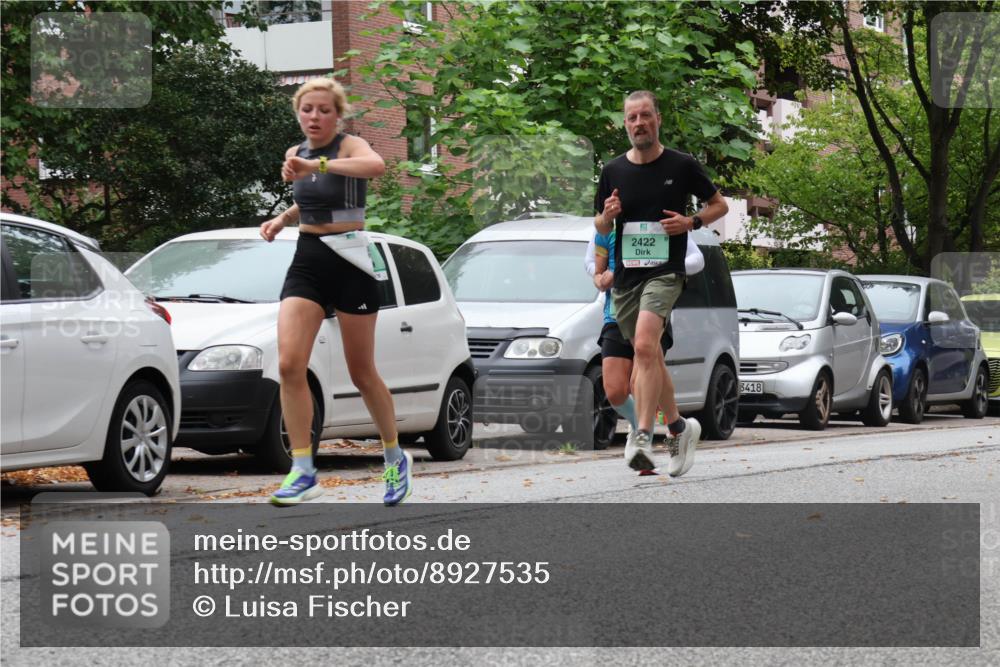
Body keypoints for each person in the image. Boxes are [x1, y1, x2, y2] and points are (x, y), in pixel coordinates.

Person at [260, 78, 411, 506]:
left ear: (337, 114)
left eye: (324, 110)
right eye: (307, 109)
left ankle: (394, 457)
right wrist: (282, 219)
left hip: (351, 259)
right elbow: (309, 196)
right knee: (290, 364)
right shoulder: (295, 153)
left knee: (361, 371)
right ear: (298, 112)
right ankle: (303, 469)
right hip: (309, 258)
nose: (314, 117)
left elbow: (376, 167)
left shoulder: (349, 147)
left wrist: (318, 167)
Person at [594, 90, 728, 476]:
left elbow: (720, 205)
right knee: (651, 357)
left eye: (646, 116)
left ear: (658, 119)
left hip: (666, 272)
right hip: (626, 279)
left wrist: (691, 223)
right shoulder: (613, 171)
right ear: (625, 124)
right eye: (632, 118)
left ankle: (641, 436)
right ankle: (680, 429)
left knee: (644, 345)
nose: (639, 123)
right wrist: (607, 215)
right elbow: (600, 226)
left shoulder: (682, 165)